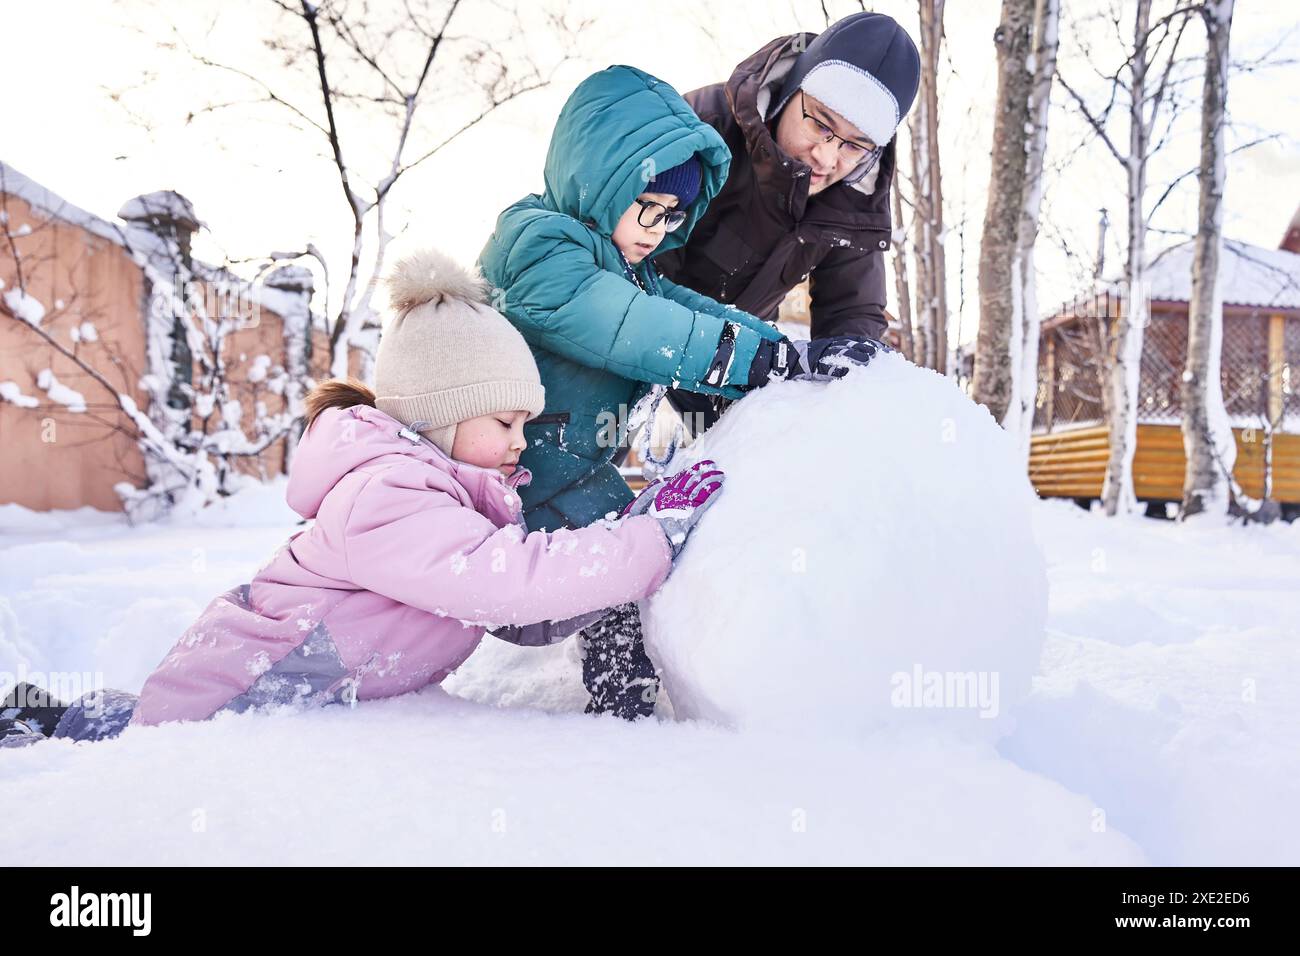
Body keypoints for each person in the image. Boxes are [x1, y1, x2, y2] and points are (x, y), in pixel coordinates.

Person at [0, 249, 724, 747]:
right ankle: (39, 718)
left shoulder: (453, 502)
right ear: (437, 416)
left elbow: (523, 617)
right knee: (125, 740)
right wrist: (650, 540)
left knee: (124, 724)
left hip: (298, 690)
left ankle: (52, 713)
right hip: (240, 688)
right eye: (505, 422)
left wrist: (633, 528)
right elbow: (509, 587)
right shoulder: (392, 492)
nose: (518, 442)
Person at [478, 66, 882, 720]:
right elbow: (645, 332)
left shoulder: (626, 265)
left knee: (637, 560)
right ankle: (621, 709)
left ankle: (628, 694)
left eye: (672, 217)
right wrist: (770, 360)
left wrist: (794, 350)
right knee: (615, 566)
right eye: (648, 208)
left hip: (574, 472)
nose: (658, 231)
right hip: (516, 479)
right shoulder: (540, 250)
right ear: (601, 181)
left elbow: (695, 309)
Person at [654, 11, 921, 434]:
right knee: (579, 457)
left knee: (756, 459)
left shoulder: (854, 197)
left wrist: (849, 391)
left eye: (855, 146)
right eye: (820, 123)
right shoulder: (699, 131)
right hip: (635, 319)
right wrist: (735, 352)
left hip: (732, 354)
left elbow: (852, 313)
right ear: (789, 92)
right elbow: (636, 271)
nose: (827, 158)